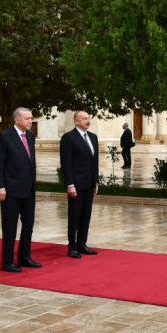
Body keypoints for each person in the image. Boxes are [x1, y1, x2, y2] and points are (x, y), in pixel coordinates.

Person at [0, 108, 41, 272]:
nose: (30, 121)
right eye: (27, 118)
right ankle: (7, 262)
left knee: (28, 224)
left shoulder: (30, 136)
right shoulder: (4, 136)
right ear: (16, 120)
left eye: (31, 118)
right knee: (10, 227)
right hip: (10, 190)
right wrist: (0, 186)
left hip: (29, 189)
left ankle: (24, 257)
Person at [60, 111, 99, 259]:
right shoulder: (69, 138)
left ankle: (82, 244)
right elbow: (66, 163)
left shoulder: (93, 137)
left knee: (86, 215)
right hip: (76, 184)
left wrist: (96, 181)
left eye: (88, 118)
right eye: (84, 119)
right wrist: (70, 184)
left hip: (89, 184)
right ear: (76, 121)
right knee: (74, 216)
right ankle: (72, 246)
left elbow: (94, 161)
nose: (88, 121)